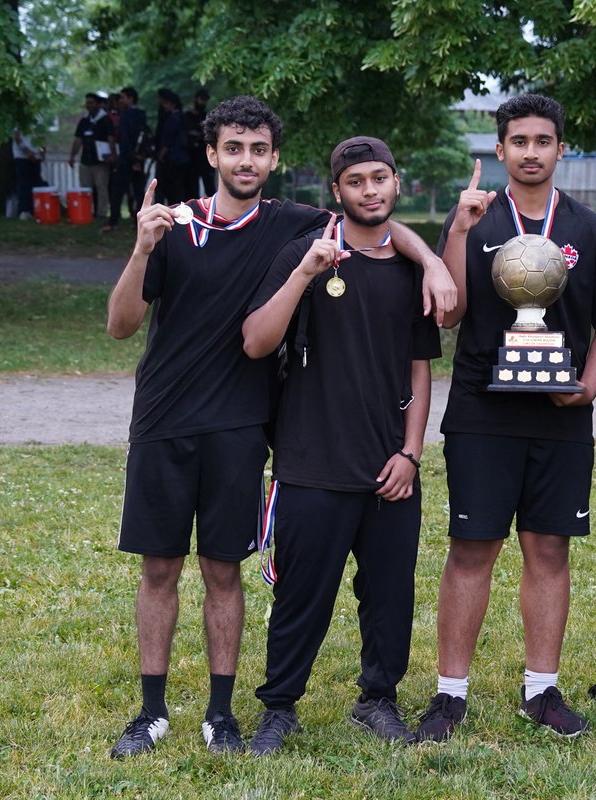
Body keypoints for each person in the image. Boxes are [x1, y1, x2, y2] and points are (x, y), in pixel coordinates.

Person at [105, 95, 456, 759]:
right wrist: (139, 248)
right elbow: (120, 325)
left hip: (241, 424)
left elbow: (375, 217)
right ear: (211, 154)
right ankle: (149, 713)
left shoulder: (289, 223)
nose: (245, 160)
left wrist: (433, 259)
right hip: (162, 419)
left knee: (223, 570)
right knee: (158, 568)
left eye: (257, 149)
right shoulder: (175, 225)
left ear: (273, 159)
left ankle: (220, 715)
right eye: (233, 148)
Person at [414, 94, 596, 742]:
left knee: (549, 549)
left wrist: (586, 388)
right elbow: (446, 314)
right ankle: (450, 695)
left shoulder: (588, 229)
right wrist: (456, 232)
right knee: (472, 549)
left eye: (543, 140)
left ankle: (542, 690)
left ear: (560, 149)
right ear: (499, 150)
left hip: (559, 416)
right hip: (483, 408)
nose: (531, 152)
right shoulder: (474, 218)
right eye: (519, 141)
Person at [240, 136, 440, 755]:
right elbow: (254, 342)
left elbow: (420, 367)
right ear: (337, 192)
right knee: (302, 594)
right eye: (356, 181)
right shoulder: (303, 254)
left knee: (389, 595)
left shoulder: (409, 269)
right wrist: (304, 274)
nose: (370, 190)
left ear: (396, 183)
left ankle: (377, 698)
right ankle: (278, 708)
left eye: (380, 177)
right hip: (311, 461)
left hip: (389, 466)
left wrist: (410, 453)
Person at [103, 86, 149, 232]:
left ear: (130, 99)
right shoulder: (141, 115)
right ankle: (139, 222)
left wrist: (132, 159)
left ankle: (114, 222)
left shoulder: (129, 116)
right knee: (138, 193)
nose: (120, 101)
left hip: (128, 160)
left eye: (122, 97)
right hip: (137, 159)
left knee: (118, 192)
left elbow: (128, 140)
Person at [68, 92, 116, 218]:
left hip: (100, 161)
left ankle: (101, 213)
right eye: (87, 103)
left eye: (91, 103)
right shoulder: (84, 121)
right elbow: (78, 140)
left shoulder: (105, 120)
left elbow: (111, 138)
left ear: (98, 104)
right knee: (85, 188)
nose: (88, 105)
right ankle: (86, 212)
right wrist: (72, 156)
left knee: (101, 188)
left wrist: (112, 155)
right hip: (85, 160)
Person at [155, 89, 190, 204]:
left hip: (172, 158)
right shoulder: (182, 117)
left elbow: (167, 140)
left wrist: (160, 155)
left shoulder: (172, 119)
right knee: (179, 187)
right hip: (183, 157)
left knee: (170, 187)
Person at [184, 89, 216, 197]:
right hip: (191, 156)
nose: (202, 102)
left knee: (209, 184)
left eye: (204, 100)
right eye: (201, 99)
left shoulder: (207, 116)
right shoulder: (187, 116)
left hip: (204, 156)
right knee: (191, 185)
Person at [11, 127, 43, 220]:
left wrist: (42, 150)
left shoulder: (39, 119)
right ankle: (23, 210)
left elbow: (41, 135)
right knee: (23, 183)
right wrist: (27, 152)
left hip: (36, 156)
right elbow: (17, 137)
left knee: (36, 183)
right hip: (22, 157)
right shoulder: (20, 118)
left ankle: (35, 209)